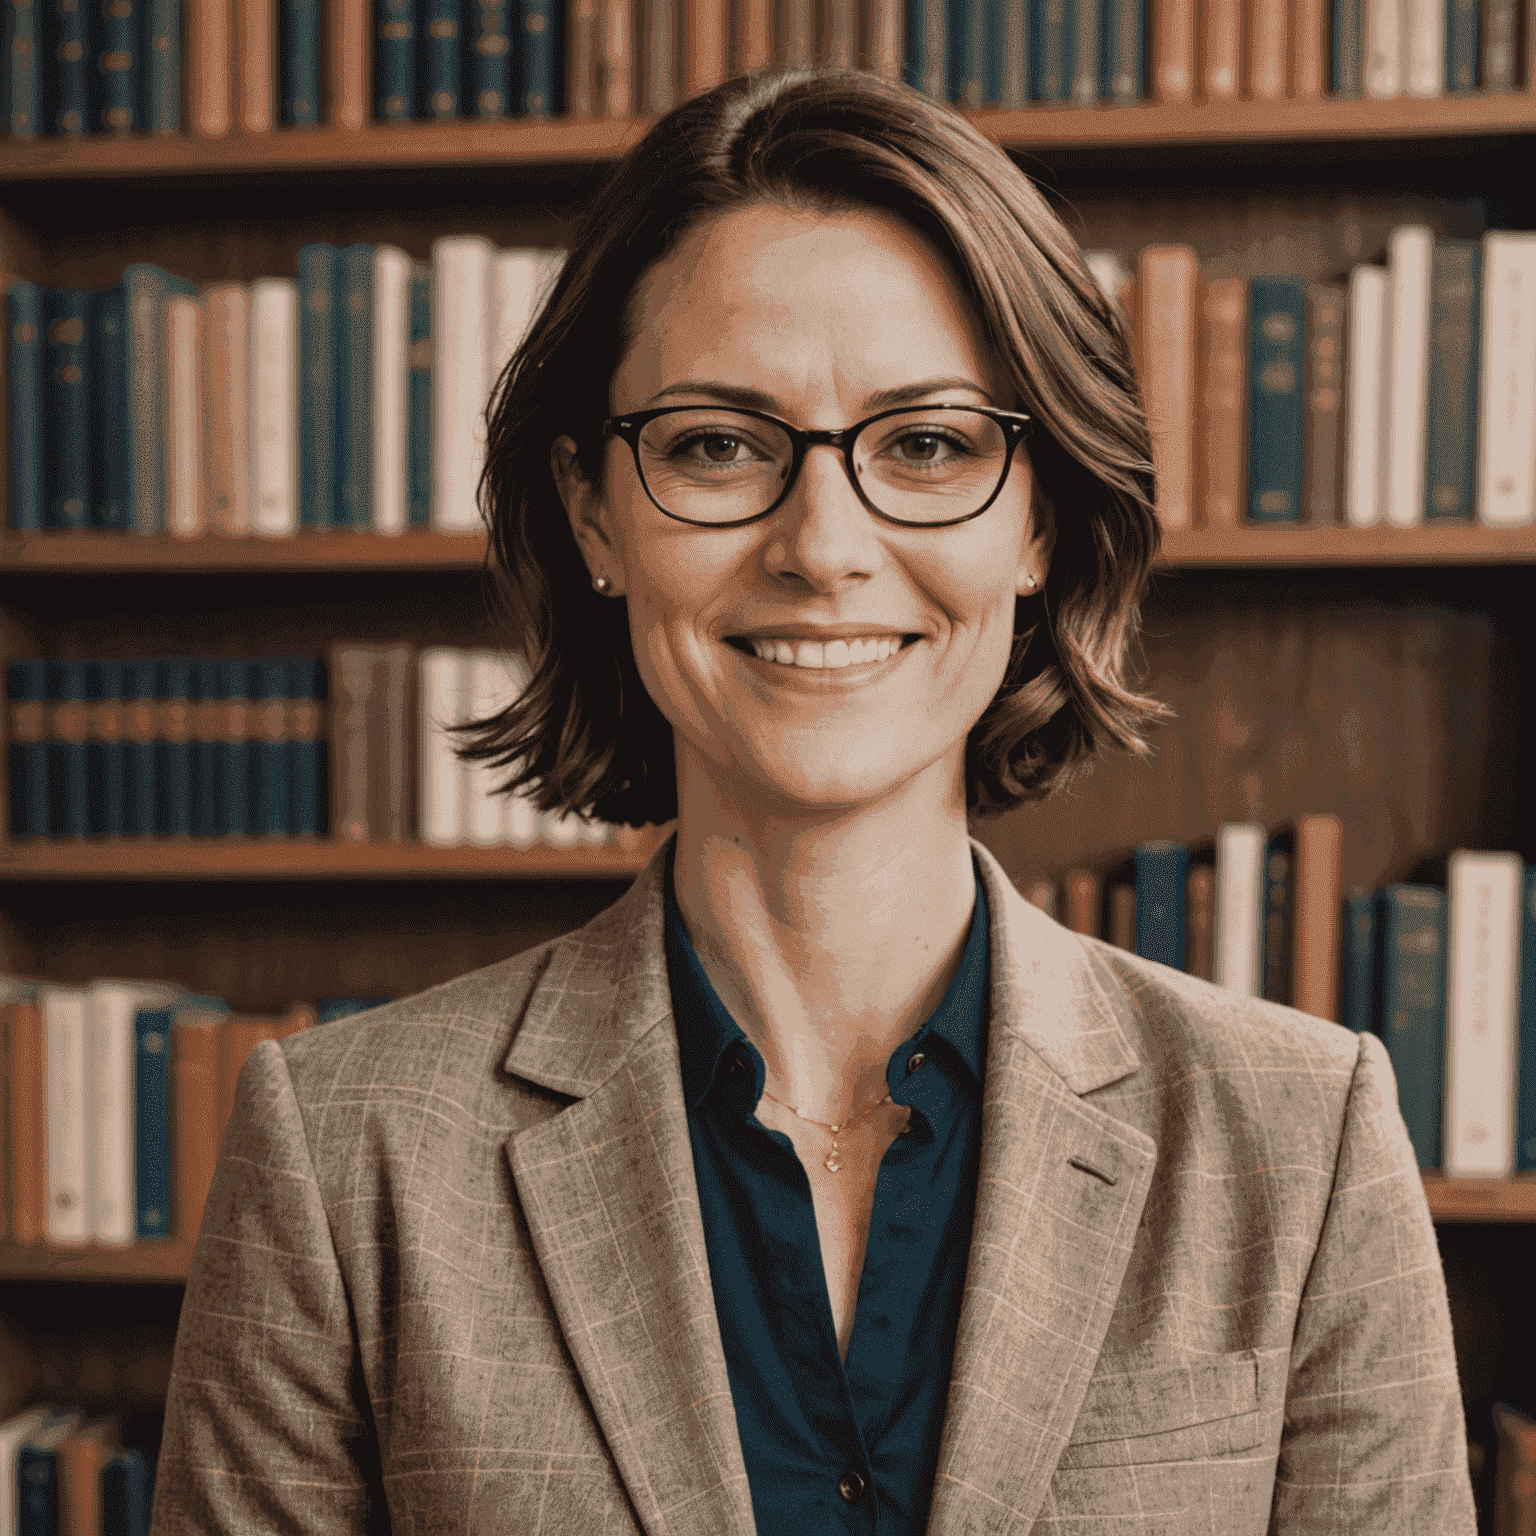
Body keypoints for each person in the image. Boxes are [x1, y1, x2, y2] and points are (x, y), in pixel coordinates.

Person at [152, 69, 1475, 1536]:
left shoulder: (1304, 1136)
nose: (825, 546)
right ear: (597, 510)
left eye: (928, 445)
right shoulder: (342, 1155)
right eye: (719, 444)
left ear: (1039, 519)